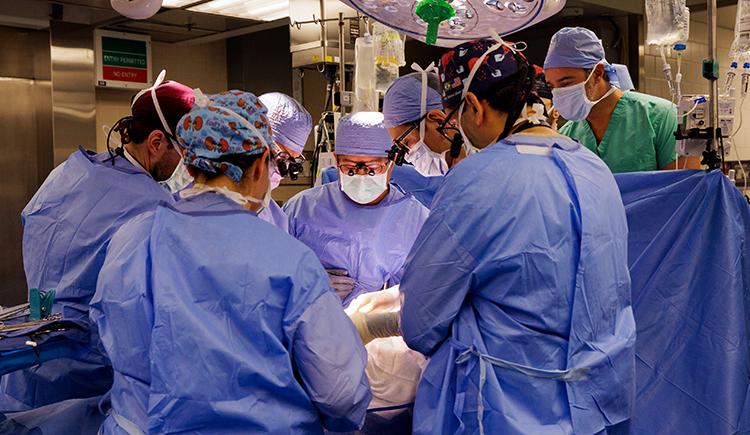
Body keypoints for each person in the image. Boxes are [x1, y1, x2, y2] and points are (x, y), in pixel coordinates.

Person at [89, 90, 370, 434]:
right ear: (260, 164)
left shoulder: (131, 238)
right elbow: (340, 393)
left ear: (191, 164)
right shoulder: (289, 260)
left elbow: (106, 335)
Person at [399, 36, 636, 434]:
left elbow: (422, 319)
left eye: (456, 116)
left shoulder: (476, 181)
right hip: (596, 405)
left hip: (506, 410)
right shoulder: (594, 169)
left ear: (472, 106)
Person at [0, 73, 195, 413]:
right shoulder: (153, 205)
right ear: (156, 142)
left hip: (31, 344)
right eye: (183, 151)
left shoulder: (71, 170)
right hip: (87, 365)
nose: (185, 164)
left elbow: (33, 225)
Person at [283, 112, 429, 432]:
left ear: (391, 162)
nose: (361, 176)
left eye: (371, 167)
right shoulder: (300, 211)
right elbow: (277, 286)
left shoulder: (419, 220)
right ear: (335, 160)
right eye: (351, 166)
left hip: (395, 377)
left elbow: (432, 297)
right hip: (320, 365)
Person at [544, 27, 698, 172]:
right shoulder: (567, 135)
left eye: (566, 83)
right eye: (551, 87)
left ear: (597, 73)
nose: (558, 93)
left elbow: (686, 189)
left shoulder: (661, 117)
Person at [382, 64, 465, 176]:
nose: (408, 156)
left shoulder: (489, 167)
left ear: (438, 120)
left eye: (406, 142)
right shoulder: (463, 171)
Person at [257, 92, 312, 231]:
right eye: (282, 157)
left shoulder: (275, 218)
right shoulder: (206, 202)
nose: (282, 170)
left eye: (292, 161)